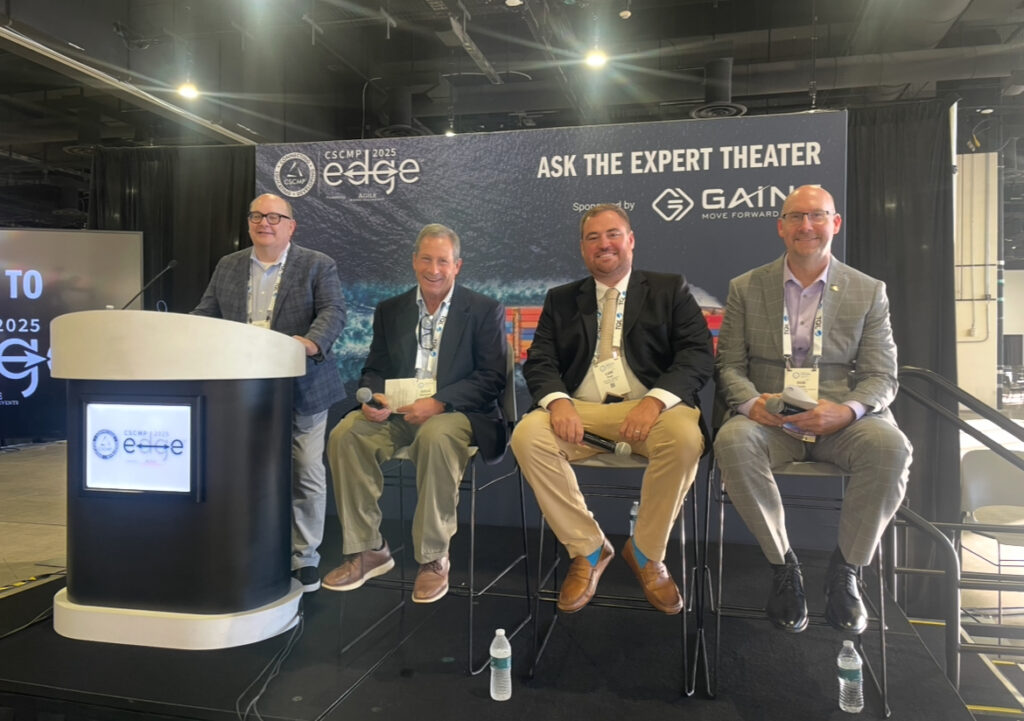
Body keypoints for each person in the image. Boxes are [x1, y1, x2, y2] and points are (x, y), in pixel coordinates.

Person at [714, 184, 912, 635]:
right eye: (796, 217)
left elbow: (883, 376)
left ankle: (847, 572)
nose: (807, 226)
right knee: (732, 440)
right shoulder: (746, 287)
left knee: (891, 449)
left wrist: (848, 412)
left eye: (818, 216)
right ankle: (784, 565)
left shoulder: (868, 291)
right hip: (772, 420)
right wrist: (751, 404)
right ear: (780, 227)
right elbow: (728, 365)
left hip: (840, 419)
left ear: (835, 223)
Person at [510, 204, 712, 615]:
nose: (604, 244)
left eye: (613, 234)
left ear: (631, 240)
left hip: (654, 412)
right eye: (593, 238)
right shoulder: (562, 299)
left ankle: (646, 552)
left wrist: (654, 402)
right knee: (528, 436)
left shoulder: (669, 288)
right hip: (582, 413)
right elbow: (541, 361)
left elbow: (696, 356)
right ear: (583, 249)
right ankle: (587, 549)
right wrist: (559, 401)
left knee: (687, 439)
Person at [322, 224, 507, 604]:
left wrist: (440, 402)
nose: (433, 268)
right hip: (398, 412)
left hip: (457, 413)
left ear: (457, 265)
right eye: (426, 258)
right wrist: (373, 395)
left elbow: (491, 379)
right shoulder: (391, 310)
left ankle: (433, 557)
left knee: (435, 436)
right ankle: (369, 549)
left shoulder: (485, 310)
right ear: (413, 261)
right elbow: (375, 367)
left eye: (443, 261)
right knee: (346, 434)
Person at [193, 193, 347, 593]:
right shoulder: (229, 265)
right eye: (257, 216)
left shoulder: (317, 264)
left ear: (290, 226)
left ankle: (304, 556)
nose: (266, 223)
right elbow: (206, 313)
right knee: (241, 469)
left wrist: (310, 344)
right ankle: (247, 545)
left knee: (306, 470)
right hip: (240, 389)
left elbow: (333, 312)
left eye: (275, 217)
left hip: (304, 386)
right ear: (249, 224)